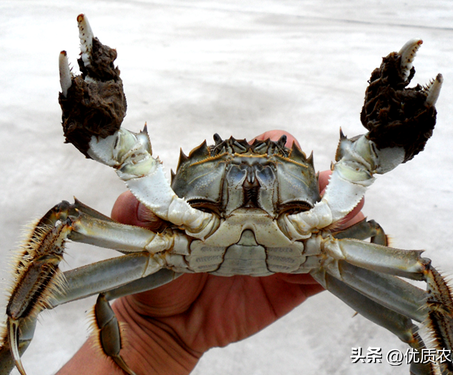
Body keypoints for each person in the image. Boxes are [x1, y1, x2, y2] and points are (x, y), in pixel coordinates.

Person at [57, 130, 365, 375]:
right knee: (62, 225)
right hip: (174, 277)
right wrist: (148, 330)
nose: (248, 182)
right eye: (220, 160)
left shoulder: (325, 242)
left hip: (191, 261)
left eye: (278, 161)